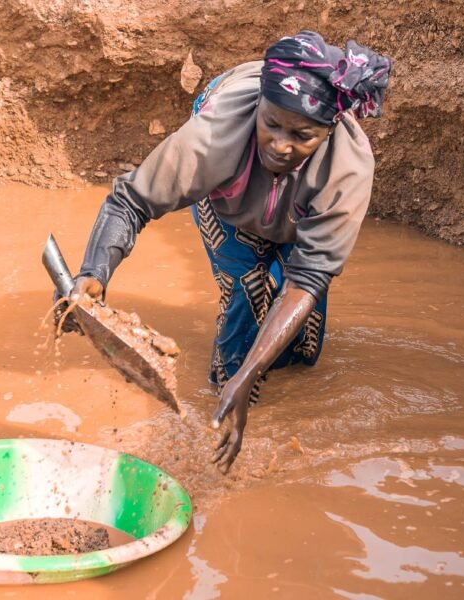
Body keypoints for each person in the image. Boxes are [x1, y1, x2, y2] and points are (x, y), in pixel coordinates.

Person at [62, 31, 392, 473]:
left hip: (299, 211)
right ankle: (222, 398)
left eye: (302, 135)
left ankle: (270, 387)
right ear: (258, 105)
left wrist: (255, 371)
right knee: (247, 288)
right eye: (271, 123)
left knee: (302, 329)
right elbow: (132, 201)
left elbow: (310, 276)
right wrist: (93, 274)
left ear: (328, 132)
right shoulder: (216, 132)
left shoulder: (347, 169)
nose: (280, 144)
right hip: (228, 198)